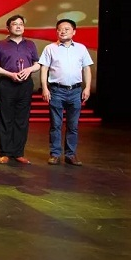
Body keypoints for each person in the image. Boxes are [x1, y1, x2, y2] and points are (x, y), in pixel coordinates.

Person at [39, 18, 93, 166]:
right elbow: (44, 68)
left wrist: (87, 87)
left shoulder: (81, 48)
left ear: (74, 32)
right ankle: (55, 154)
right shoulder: (50, 48)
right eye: (60, 29)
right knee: (55, 124)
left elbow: (86, 68)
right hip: (56, 90)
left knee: (73, 125)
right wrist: (44, 87)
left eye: (66, 29)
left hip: (75, 91)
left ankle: (70, 154)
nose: (63, 31)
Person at [0, 14, 40, 165]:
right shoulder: (0, 44)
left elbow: (38, 64)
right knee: (5, 118)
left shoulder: (30, 44)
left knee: (22, 119)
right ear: (8, 27)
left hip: (25, 85)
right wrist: (10, 74)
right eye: (14, 24)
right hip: (7, 84)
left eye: (21, 24)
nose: (18, 26)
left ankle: (18, 152)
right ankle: (5, 152)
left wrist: (29, 70)